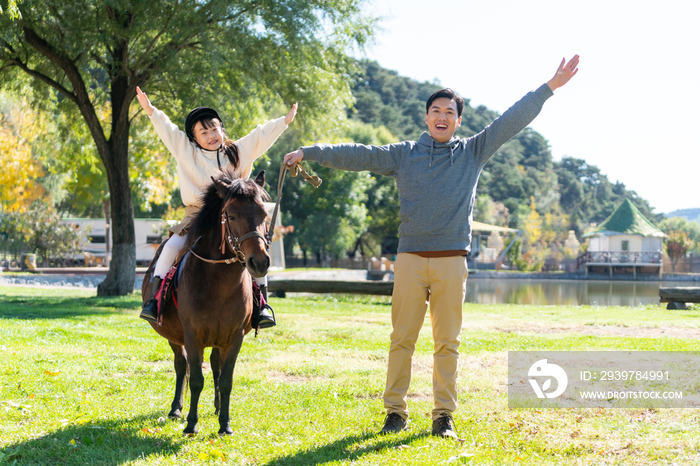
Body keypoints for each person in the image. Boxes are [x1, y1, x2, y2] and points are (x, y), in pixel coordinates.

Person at [283, 56, 579, 438]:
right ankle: (395, 412)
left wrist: (549, 87)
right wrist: (310, 151)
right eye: (435, 110)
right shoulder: (404, 154)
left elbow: (511, 120)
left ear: (458, 120)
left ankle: (443, 416)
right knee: (401, 339)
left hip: (451, 262)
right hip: (409, 260)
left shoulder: (473, 152)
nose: (442, 116)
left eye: (449, 112)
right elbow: (358, 154)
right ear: (426, 118)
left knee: (447, 343)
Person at [136, 86, 297, 328]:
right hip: (196, 217)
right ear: (194, 138)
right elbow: (169, 131)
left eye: (214, 128)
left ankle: (262, 304)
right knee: (172, 246)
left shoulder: (237, 152)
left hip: (236, 218)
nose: (212, 135)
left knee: (257, 249)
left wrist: (283, 122)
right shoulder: (186, 151)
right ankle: (155, 301)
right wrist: (151, 111)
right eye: (204, 132)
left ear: (222, 129)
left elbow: (259, 136)